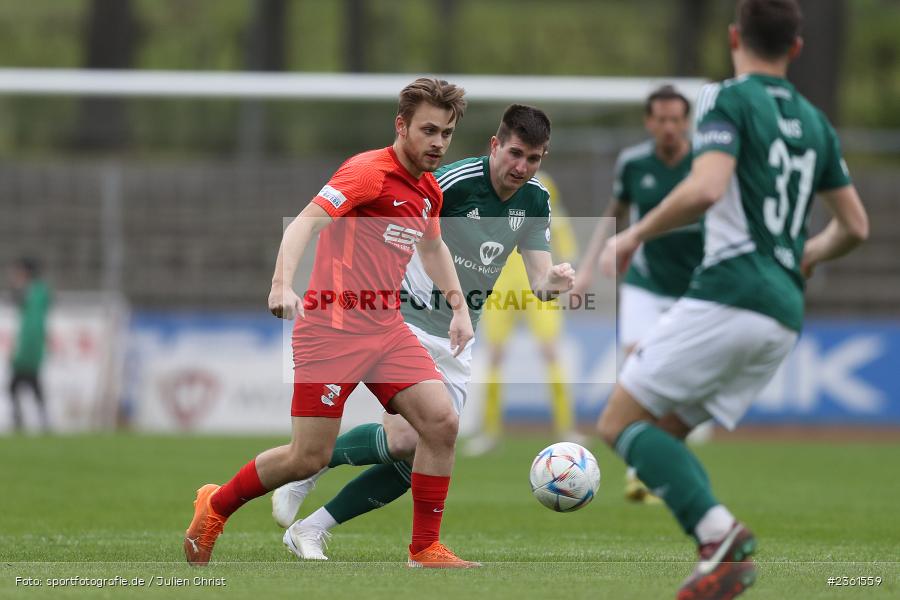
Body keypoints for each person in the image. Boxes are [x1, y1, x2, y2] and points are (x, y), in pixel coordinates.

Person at [596, 1, 868, 598]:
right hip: (783, 312)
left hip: (729, 292)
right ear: (796, 48)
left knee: (618, 423)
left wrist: (635, 234)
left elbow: (707, 186)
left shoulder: (726, 99)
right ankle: (718, 552)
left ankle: (724, 539)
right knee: (662, 433)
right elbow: (855, 227)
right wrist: (806, 255)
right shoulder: (817, 123)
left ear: (733, 37)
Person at [183, 77, 480, 569]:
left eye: (447, 133)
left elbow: (432, 246)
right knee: (308, 458)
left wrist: (459, 306)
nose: (438, 143)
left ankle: (424, 549)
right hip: (330, 331)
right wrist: (281, 284)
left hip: (385, 329)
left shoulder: (428, 190)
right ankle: (215, 505)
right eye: (429, 130)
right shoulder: (366, 173)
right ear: (401, 125)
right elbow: (305, 222)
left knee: (441, 422)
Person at [271, 104, 575, 561]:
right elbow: (407, 228)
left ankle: (312, 527)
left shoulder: (536, 200)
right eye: (515, 154)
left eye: (534, 159)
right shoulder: (450, 182)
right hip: (408, 320)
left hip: (459, 333)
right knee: (406, 440)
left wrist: (555, 283)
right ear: (495, 145)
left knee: (426, 452)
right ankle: (310, 465)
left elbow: (540, 283)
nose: (522, 167)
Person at [573, 85, 704, 503]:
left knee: (684, 382)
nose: (668, 127)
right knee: (637, 370)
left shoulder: (708, 163)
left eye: (675, 119)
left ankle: (662, 457)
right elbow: (613, 216)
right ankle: (638, 472)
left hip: (699, 288)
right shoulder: (633, 163)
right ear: (650, 122)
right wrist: (588, 268)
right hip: (647, 284)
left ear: (686, 123)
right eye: (660, 119)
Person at [466, 170, 581, 457]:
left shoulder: (544, 183)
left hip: (538, 277)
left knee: (551, 351)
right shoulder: (489, 183)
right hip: (500, 281)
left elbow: (560, 224)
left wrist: (567, 264)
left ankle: (565, 428)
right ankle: (490, 431)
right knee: (493, 354)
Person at [7, 257, 51, 432]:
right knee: (31, 386)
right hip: (33, 347)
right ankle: (40, 420)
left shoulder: (32, 291)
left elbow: (18, 299)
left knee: (16, 387)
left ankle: (21, 421)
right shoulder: (41, 291)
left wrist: (21, 352)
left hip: (28, 349)